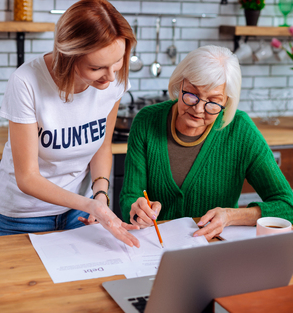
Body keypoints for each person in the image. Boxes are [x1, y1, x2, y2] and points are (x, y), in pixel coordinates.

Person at [0, 0, 140, 247]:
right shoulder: (26, 81)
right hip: (22, 218)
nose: (110, 77)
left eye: (117, 63)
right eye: (97, 68)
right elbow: (27, 177)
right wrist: (90, 203)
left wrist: (100, 197)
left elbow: (102, 146)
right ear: (68, 55)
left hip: (78, 214)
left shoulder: (114, 81)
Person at [120, 45, 293, 241]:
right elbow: (130, 197)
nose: (199, 109)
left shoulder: (241, 130)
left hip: (212, 252)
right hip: (154, 250)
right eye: (191, 94)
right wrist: (137, 210)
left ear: (226, 102)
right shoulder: (146, 121)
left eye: (213, 102)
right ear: (180, 83)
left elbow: (288, 205)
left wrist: (232, 216)